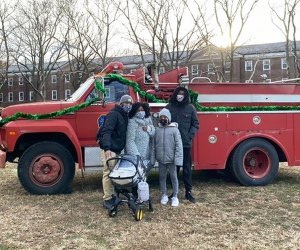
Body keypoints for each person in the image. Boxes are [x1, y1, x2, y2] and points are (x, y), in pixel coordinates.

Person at [96, 94, 133, 209]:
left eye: (130, 104)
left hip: (116, 149)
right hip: (110, 149)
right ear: (121, 104)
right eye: (126, 103)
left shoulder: (124, 116)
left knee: (114, 174)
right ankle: (107, 199)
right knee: (108, 173)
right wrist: (107, 148)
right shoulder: (114, 114)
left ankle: (113, 196)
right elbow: (107, 131)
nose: (128, 105)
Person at [166, 86, 199, 203]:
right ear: (175, 94)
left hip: (185, 144)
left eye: (182, 94)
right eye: (178, 93)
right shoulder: (169, 107)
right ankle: (174, 192)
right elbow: (163, 122)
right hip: (172, 144)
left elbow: (195, 124)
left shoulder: (190, 108)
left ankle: (188, 192)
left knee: (186, 169)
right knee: (174, 169)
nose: (180, 96)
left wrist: (189, 136)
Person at [153, 108, 183, 207]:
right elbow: (154, 145)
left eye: (165, 117)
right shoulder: (157, 130)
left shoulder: (175, 130)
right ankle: (164, 194)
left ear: (169, 118)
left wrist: (178, 159)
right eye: (161, 117)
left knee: (174, 177)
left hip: (172, 160)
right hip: (161, 160)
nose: (163, 119)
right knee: (162, 177)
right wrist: (154, 158)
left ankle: (175, 196)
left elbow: (179, 146)